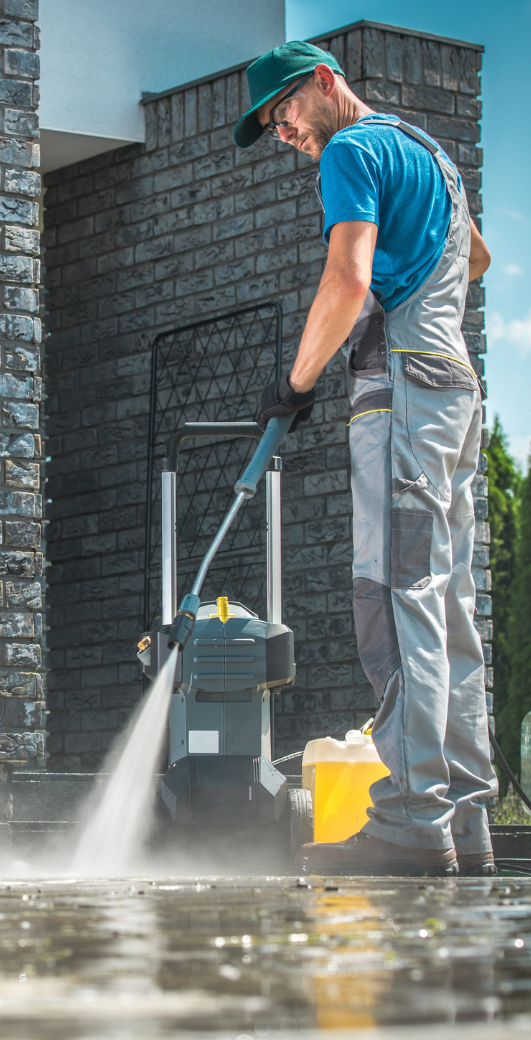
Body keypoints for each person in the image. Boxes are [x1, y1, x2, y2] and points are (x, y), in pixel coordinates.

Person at [233, 42, 497, 876]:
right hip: (453, 386)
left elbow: (345, 282)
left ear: (323, 80)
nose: (284, 131)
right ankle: (465, 820)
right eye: (273, 125)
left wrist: (296, 382)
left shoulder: (351, 149)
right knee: (446, 605)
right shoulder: (431, 156)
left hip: (405, 394)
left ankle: (413, 820)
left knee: (395, 597)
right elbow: (477, 260)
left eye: (284, 111)